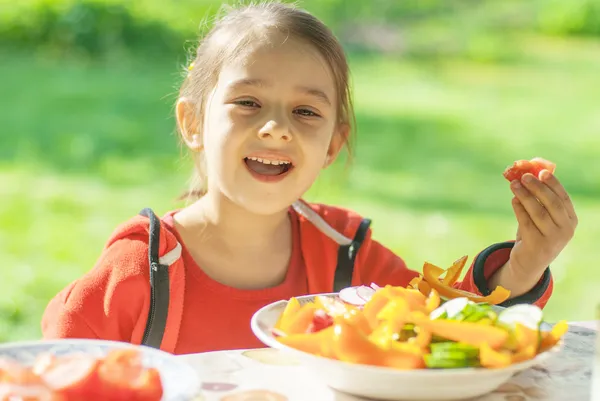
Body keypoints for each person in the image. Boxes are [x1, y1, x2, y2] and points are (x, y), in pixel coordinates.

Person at [41, 1, 578, 355]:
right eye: (248, 103)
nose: (275, 128)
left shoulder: (348, 258)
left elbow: (440, 330)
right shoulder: (142, 270)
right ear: (192, 123)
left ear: (332, 147)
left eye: (306, 112)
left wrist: (527, 261)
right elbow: (56, 367)